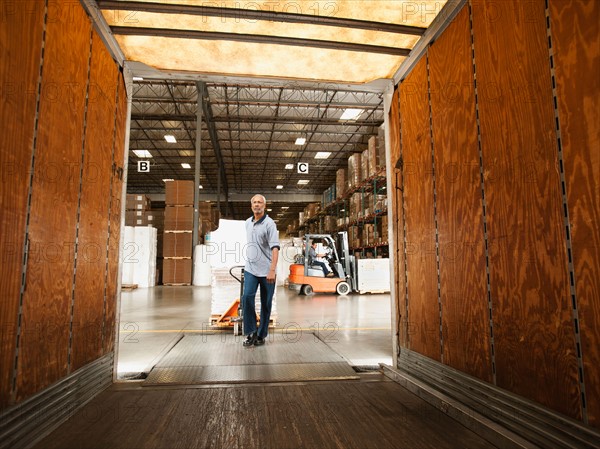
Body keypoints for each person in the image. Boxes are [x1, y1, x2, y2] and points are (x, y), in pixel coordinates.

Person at [242, 194, 280, 347]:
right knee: (247, 297)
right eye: (254, 202)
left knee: (266, 303)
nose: (257, 205)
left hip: (266, 271)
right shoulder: (247, 223)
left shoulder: (270, 224)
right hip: (250, 269)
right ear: (251, 206)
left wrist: (272, 270)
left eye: (260, 202)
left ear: (265, 205)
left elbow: (275, 249)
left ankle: (261, 334)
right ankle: (251, 331)